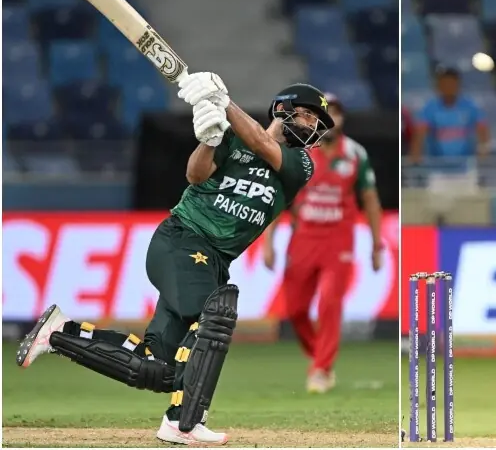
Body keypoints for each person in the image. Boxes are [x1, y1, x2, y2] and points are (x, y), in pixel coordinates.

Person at [15, 74, 333, 445]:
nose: (313, 127)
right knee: (216, 314)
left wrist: (223, 103)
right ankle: (185, 423)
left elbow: (261, 141)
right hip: (182, 240)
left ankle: (58, 334)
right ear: (284, 108)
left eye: (317, 123)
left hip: (212, 260)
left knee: (159, 367)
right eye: (309, 115)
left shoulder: (302, 164)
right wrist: (209, 139)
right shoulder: (231, 139)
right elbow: (195, 175)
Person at [262, 93, 384, 394]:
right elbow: (280, 198)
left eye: (337, 113)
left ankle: (321, 368)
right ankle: (321, 358)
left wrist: (377, 245)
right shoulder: (297, 151)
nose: (332, 119)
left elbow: (369, 200)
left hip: (338, 240)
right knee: (296, 310)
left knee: (330, 302)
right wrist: (268, 241)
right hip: (302, 238)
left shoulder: (355, 153)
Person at [409, 67, 490, 164]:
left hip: (466, 165)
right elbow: (420, 133)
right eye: (445, 84)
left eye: (451, 84)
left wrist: (483, 150)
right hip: (437, 166)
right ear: (438, 86)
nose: (448, 88)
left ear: (458, 85)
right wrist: (416, 154)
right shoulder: (429, 108)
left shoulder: (470, 106)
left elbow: (482, 129)